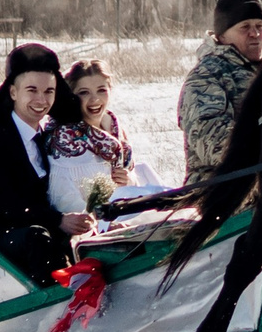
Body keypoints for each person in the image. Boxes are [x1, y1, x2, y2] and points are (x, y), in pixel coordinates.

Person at [0, 42, 91, 281]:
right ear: (13, 92)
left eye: (49, 92)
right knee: (39, 238)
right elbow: (4, 203)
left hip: (38, 226)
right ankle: (57, 303)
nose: (41, 100)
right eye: (32, 90)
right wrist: (58, 220)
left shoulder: (48, 138)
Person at [39, 58, 168, 216]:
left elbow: (130, 175)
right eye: (84, 92)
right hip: (92, 222)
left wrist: (129, 180)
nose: (95, 100)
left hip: (125, 210)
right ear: (71, 95)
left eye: (101, 90)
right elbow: (63, 198)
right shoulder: (64, 138)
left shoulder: (114, 127)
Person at [178, 0, 262, 181]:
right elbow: (212, 142)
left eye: (259, 26)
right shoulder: (206, 76)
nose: (255, 33)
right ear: (222, 36)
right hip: (220, 191)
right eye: (245, 27)